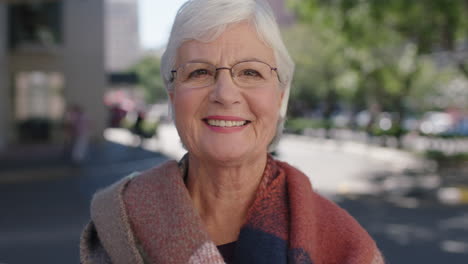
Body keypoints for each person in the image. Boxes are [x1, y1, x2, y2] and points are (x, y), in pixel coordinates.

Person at [80, 0, 384, 263]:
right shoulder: (118, 223)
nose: (225, 94)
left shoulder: (346, 246)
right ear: (172, 96)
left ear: (280, 97)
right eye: (199, 72)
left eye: (250, 72)